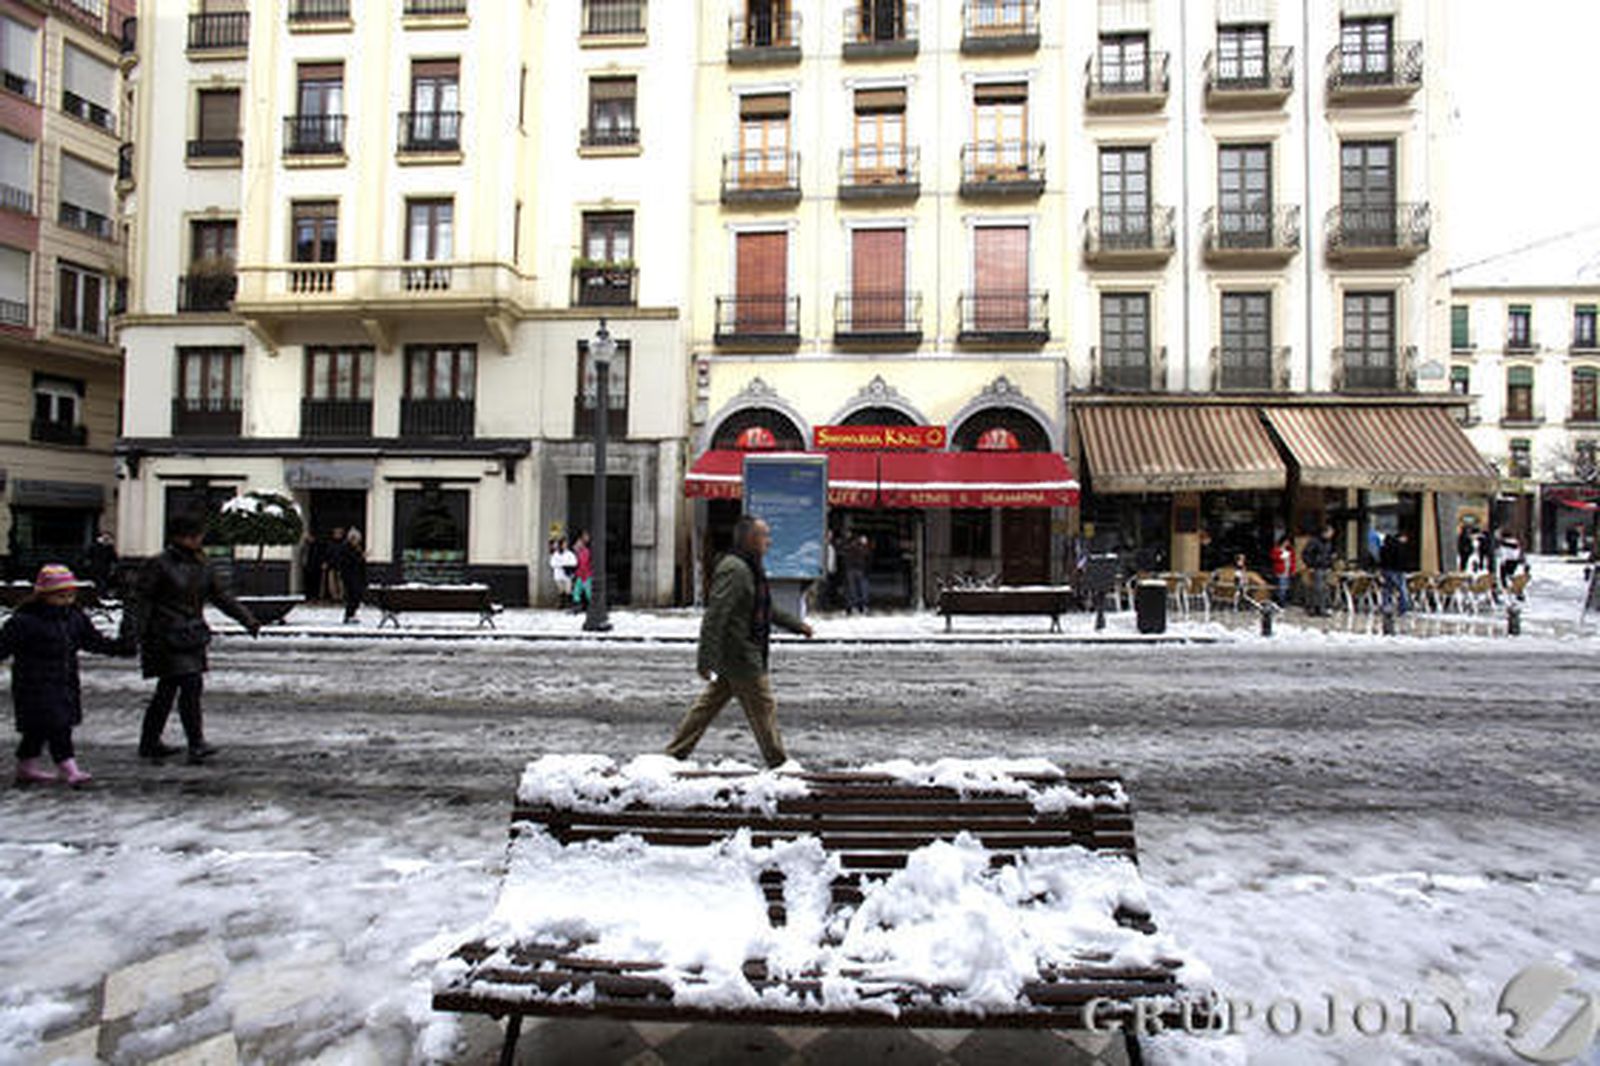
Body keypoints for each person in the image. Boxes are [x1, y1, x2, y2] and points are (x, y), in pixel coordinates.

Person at [665, 515, 814, 768]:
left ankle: (673, 754)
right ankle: (779, 764)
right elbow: (716, 615)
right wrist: (705, 660)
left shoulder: (748, 567)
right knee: (763, 708)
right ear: (750, 539)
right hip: (742, 655)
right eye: (764, 535)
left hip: (736, 655)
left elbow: (765, 608)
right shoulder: (736, 569)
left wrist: (797, 626)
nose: (769, 541)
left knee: (707, 708)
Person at [130, 512, 260, 764]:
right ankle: (193, 742)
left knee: (171, 690)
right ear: (182, 537)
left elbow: (220, 596)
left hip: (190, 635)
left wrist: (247, 619)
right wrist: (137, 633)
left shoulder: (202, 564)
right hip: (165, 636)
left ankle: (153, 741)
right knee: (185, 687)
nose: (201, 539)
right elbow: (141, 600)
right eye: (196, 535)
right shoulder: (159, 564)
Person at [1, 565, 132, 786]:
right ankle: (69, 768)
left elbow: (92, 641)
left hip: (64, 680)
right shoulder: (25, 621)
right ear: (44, 595)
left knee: (37, 729)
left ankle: (26, 767)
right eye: (61, 595)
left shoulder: (73, 617)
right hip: (33, 683)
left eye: (71, 594)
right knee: (57, 726)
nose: (67, 600)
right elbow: (3, 646)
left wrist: (119, 647)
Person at [334, 528, 367, 623]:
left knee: (355, 595)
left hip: (356, 576)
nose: (358, 542)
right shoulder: (346, 548)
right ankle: (349, 614)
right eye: (357, 539)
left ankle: (352, 614)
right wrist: (361, 557)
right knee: (352, 595)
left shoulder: (356, 548)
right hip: (350, 576)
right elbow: (349, 561)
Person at [1303, 524, 1335, 617]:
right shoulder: (1314, 542)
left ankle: (1322, 607)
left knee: (1324, 589)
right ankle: (1315, 608)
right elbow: (1306, 554)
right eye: (1330, 532)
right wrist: (1311, 565)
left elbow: (1328, 555)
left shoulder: (1328, 543)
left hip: (1325, 568)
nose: (1332, 534)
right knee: (1318, 589)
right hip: (1317, 568)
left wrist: (1330, 564)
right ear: (1325, 532)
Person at [1379, 531, 1411, 616]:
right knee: (1401, 588)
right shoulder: (1400, 547)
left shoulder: (1384, 548)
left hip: (1387, 570)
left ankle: (1386, 605)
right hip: (1398, 570)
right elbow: (1403, 559)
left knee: (1387, 589)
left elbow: (1382, 560)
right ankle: (1403, 606)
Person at [841, 533, 871, 615]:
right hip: (858, 569)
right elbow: (867, 557)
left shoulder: (848, 547)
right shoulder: (861, 548)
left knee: (853, 588)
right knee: (859, 588)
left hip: (853, 569)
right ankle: (860, 606)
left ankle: (854, 606)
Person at [85, 531, 119, 599]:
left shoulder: (109, 548)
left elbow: (115, 558)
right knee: (97, 583)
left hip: (105, 569)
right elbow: (87, 556)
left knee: (103, 584)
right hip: (95, 569)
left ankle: (101, 596)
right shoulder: (94, 546)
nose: (106, 539)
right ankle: (96, 596)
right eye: (104, 537)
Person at [548, 537, 576, 607]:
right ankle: (561, 603)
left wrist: (566, 565)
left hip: (567, 575)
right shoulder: (556, 554)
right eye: (563, 544)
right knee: (561, 590)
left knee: (568, 590)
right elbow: (552, 564)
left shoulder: (569, 553)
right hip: (558, 575)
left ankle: (568, 603)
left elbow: (574, 562)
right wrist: (562, 565)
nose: (565, 545)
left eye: (565, 544)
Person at [1270, 534, 1296, 607]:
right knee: (1282, 587)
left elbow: (1293, 560)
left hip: (1288, 570)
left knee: (1286, 586)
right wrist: (1281, 557)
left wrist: (1293, 569)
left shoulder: (1290, 550)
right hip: (1280, 571)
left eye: (1288, 542)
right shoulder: (1276, 549)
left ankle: (1282, 600)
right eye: (1286, 542)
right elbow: (1273, 558)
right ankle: (1281, 602)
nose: (1287, 543)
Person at [572, 531, 593, 612]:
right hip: (581, 574)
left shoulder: (585, 551)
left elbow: (585, 563)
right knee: (577, 592)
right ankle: (578, 606)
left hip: (586, 574)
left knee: (587, 592)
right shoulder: (578, 552)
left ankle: (587, 606)